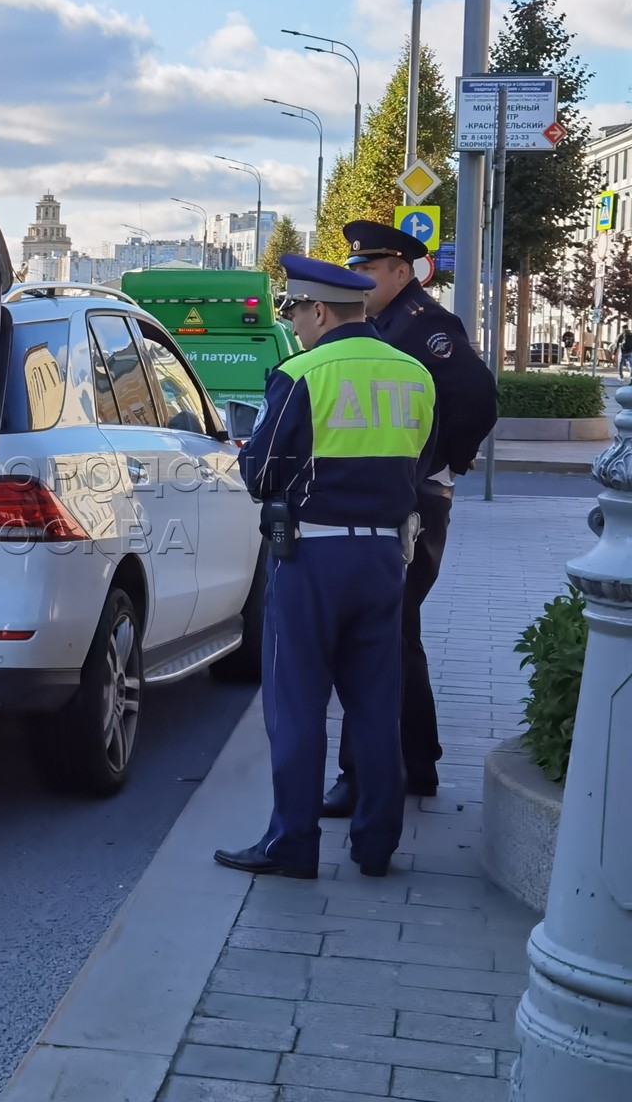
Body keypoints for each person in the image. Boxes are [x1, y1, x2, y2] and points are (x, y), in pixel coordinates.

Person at [215, 255, 436, 879]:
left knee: (297, 703)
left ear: (317, 310)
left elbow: (262, 476)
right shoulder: (414, 373)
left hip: (313, 555)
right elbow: (420, 459)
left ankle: (292, 843)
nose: (296, 324)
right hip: (384, 556)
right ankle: (375, 844)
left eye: (296, 313)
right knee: (374, 703)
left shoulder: (302, 373)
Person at [319, 220, 498, 817]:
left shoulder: (426, 327)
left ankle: (360, 777)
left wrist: (444, 457)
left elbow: (477, 396)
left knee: (373, 635)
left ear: (404, 269)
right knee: (398, 633)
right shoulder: (382, 325)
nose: (361, 278)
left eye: (370, 269)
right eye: (357, 270)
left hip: (414, 502)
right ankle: (416, 763)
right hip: (396, 499)